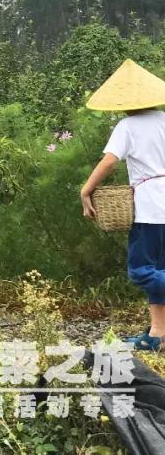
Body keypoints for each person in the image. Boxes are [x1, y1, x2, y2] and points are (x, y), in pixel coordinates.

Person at [80, 59, 165, 351]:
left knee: (141, 270)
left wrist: (86, 190)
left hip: (150, 208)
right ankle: (157, 334)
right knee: (160, 271)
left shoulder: (127, 126)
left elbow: (110, 160)